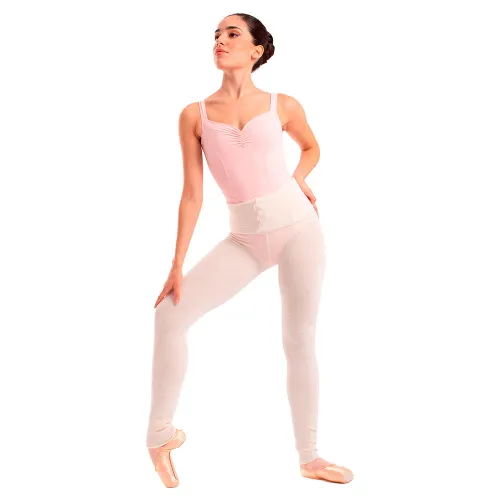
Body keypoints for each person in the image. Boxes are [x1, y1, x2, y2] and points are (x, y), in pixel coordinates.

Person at [145, 12, 354, 488]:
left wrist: (299, 178)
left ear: (256, 50)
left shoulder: (283, 104)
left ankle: (310, 457)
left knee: (298, 339)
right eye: (216, 35)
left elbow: (311, 148)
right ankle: (159, 436)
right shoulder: (194, 115)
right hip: (243, 240)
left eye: (232, 33)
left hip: (299, 229)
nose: (220, 40)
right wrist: (177, 264)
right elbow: (192, 195)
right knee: (168, 316)